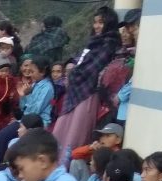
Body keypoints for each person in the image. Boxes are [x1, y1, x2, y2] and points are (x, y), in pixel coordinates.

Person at [51, 6, 121, 166]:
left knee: (76, 133)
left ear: (109, 23)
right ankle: (54, 165)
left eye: (101, 22)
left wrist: (72, 74)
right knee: (63, 129)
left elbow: (91, 69)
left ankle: (67, 167)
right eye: (95, 22)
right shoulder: (94, 43)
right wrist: (73, 73)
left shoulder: (109, 43)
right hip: (76, 93)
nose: (97, 26)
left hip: (88, 94)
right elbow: (81, 65)